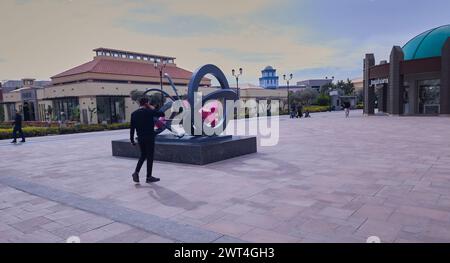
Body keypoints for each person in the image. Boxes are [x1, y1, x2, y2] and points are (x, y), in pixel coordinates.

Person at [130, 97, 165, 184]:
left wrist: (132, 140)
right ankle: (148, 177)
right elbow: (162, 114)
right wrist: (151, 107)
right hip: (149, 137)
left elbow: (132, 128)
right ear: (146, 103)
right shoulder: (149, 111)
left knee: (143, 155)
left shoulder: (134, 114)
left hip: (140, 138)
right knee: (149, 156)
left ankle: (136, 172)